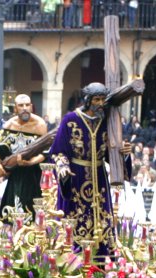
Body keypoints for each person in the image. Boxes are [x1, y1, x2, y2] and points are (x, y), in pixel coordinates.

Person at [51, 83, 113, 243]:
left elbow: (111, 152)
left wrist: (124, 153)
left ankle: (100, 256)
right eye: (96, 99)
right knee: (74, 218)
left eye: (103, 100)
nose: (100, 103)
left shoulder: (107, 121)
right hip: (76, 176)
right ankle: (73, 255)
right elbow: (58, 150)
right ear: (87, 100)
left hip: (99, 178)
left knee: (102, 219)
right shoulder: (70, 120)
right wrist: (63, 167)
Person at [0, 95, 49, 221]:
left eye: (27, 105)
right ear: (15, 109)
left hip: (34, 175)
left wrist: (31, 162)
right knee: (11, 211)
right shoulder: (9, 125)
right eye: (21, 106)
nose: (25, 108)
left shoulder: (40, 124)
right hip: (15, 174)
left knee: (35, 214)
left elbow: (46, 152)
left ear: (31, 107)